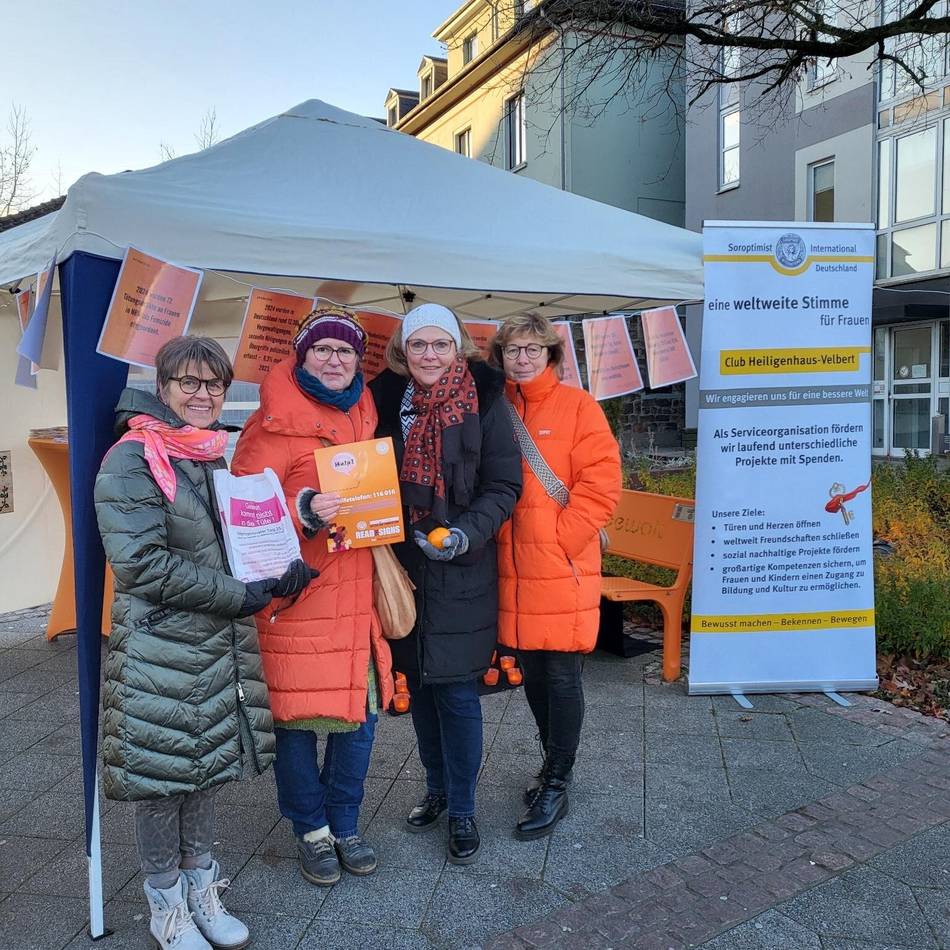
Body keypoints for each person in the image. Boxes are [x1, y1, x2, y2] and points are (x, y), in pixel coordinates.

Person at [96, 336, 314, 950]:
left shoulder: (208, 455)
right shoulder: (133, 459)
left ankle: (202, 891)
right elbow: (141, 564)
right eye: (188, 382)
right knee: (162, 782)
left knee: (204, 772)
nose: (203, 394)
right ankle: (166, 905)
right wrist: (239, 594)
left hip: (215, 643)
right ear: (162, 387)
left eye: (214, 384)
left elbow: (228, 546)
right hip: (161, 649)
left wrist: (276, 571)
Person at [231, 305, 393, 887]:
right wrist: (303, 509)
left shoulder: (365, 412)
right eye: (322, 348)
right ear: (302, 355)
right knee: (296, 721)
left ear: (358, 361)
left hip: (357, 596)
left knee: (360, 718)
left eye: (345, 350)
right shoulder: (270, 423)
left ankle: (345, 822)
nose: (333, 359)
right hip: (298, 600)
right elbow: (244, 512)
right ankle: (312, 829)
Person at [370, 303, 521, 864]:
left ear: (458, 348)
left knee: (457, 694)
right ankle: (435, 788)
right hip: (404, 568)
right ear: (402, 350)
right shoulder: (385, 401)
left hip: (462, 567)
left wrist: (464, 534)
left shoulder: (486, 401)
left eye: (440, 344)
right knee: (420, 688)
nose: (429, 355)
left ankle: (462, 808)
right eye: (419, 344)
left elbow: (504, 485)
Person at [492, 313, 622, 840]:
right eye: (512, 350)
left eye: (532, 349)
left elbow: (602, 484)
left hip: (561, 566)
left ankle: (557, 780)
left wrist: (562, 540)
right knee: (533, 673)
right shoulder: (495, 407)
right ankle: (550, 765)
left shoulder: (578, 406)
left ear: (550, 354)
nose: (522, 359)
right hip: (512, 569)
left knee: (562, 675)